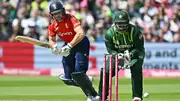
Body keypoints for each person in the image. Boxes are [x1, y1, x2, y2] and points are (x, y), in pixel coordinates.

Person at [48, 1, 98, 101]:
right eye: (55, 14)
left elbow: (81, 33)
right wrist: (54, 47)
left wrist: (70, 46)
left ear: (63, 11)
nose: (58, 15)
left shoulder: (71, 18)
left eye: (59, 12)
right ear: (52, 15)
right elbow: (52, 40)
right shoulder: (53, 26)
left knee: (79, 74)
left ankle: (91, 96)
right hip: (68, 44)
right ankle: (87, 81)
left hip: (81, 44)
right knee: (68, 79)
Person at [96, 10, 145, 101]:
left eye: (124, 24)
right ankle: (101, 95)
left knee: (136, 71)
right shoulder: (109, 34)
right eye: (119, 24)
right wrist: (118, 55)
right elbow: (110, 50)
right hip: (118, 56)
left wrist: (130, 54)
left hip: (135, 54)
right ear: (115, 23)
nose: (121, 26)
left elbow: (139, 48)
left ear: (128, 23)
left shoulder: (136, 32)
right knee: (106, 71)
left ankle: (137, 96)